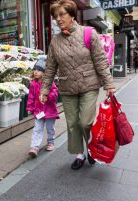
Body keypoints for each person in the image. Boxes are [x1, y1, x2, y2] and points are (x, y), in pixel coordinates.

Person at [39, 0, 115, 170]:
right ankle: (80, 154)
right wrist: (44, 89)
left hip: (89, 84)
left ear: (71, 14)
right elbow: (50, 68)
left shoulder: (88, 33)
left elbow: (100, 61)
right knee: (72, 124)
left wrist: (109, 84)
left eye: (62, 14)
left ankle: (91, 147)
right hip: (67, 88)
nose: (58, 19)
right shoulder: (55, 42)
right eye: (55, 16)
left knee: (85, 122)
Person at [27, 55, 59, 158]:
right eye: (35, 70)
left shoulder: (50, 83)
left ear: (44, 72)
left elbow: (55, 95)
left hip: (49, 111)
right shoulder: (33, 84)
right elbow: (31, 97)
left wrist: (48, 96)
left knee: (50, 128)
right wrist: (30, 107)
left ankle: (51, 141)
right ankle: (34, 147)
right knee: (37, 128)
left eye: (39, 70)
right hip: (38, 110)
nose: (36, 72)